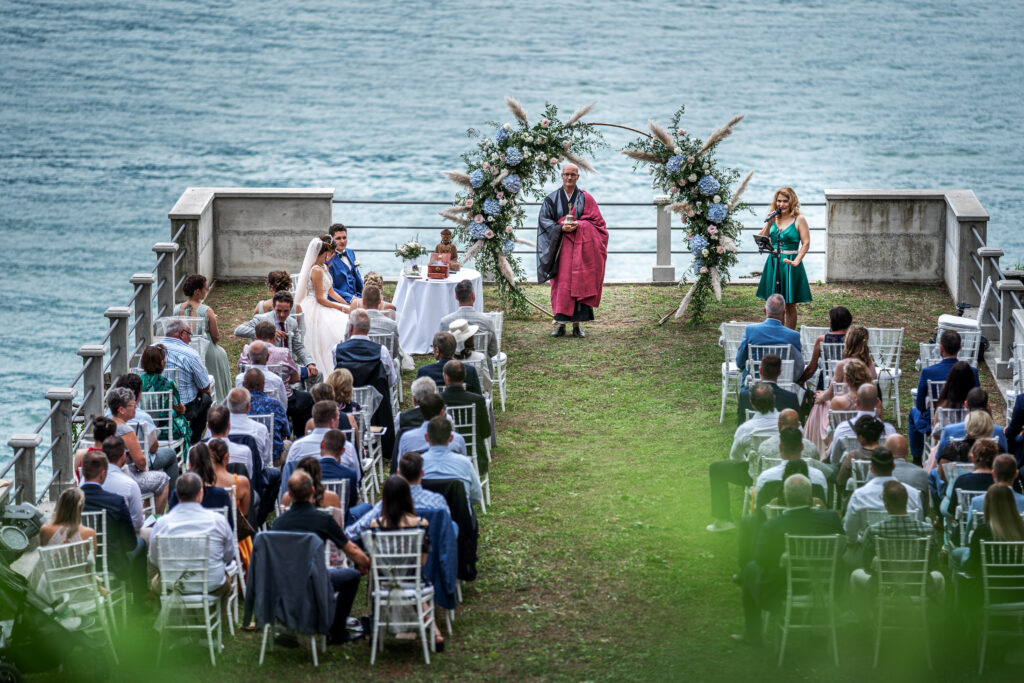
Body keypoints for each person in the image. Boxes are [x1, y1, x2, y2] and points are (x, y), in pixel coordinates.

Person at [737, 474, 842, 644]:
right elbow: (841, 548)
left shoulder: (773, 525)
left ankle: (753, 634)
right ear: (810, 496)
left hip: (784, 586)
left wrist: (782, 561)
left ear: (785, 496)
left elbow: (761, 561)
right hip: (823, 583)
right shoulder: (830, 519)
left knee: (750, 569)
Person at [272, 470, 370, 645]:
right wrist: (369, 563)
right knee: (352, 576)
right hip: (313, 581)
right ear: (312, 491)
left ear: (290, 495)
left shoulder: (279, 522)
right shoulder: (322, 519)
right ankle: (336, 630)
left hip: (284, 584)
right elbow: (350, 550)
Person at [367, 474, 444, 650]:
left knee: (386, 581)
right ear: (407, 496)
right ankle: (435, 632)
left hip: (385, 582)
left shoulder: (376, 525)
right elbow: (422, 562)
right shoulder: (420, 523)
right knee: (412, 582)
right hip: (413, 580)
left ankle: (374, 631)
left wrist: (391, 570)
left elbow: (375, 560)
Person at [536, 162, 608, 338]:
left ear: (578, 177)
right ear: (561, 176)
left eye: (573, 175)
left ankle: (577, 326)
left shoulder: (586, 198)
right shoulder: (551, 199)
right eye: (566, 174)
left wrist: (579, 225)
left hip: (581, 250)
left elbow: (598, 223)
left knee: (579, 283)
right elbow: (544, 221)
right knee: (560, 285)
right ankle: (560, 324)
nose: (569, 177)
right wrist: (560, 228)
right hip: (560, 249)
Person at [149, 474, 236, 607]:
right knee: (226, 581)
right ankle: (221, 619)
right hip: (211, 585)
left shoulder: (161, 524)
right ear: (200, 494)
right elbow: (228, 555)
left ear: (177, 495)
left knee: (154, 583)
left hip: (173, 585)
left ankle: (165, 614)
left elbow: (154, 559)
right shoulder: (217, 521)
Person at [852, 481, 943, 601]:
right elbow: (933, 565)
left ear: (886, 504)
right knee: (940, 578)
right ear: (906, 502)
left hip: (884, 585)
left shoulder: (874, 530)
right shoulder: (927, 530)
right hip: (918, 586)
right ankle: (935, 615)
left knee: (855, 575)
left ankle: (865, 616)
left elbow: (866, 566)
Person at [707, 383, 779, 532]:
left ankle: (723, 520)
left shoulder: (746, 429)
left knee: (716, 469)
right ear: (774, 398)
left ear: (752, 404)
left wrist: (750, 463)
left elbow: (735, 457)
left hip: (754, 475)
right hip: (784, 473)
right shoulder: (788, 422)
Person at [908, 330, 978, 464]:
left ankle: (917, 457)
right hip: (968, 420)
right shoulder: (972, 372)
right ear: (960, 348)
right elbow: (977, 397)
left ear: (941, 348)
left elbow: (921, 405)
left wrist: (928, 412)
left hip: (937, 420)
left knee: (913, 413)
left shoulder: (929, 372)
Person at [347, 451, 449, 541]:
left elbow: (356, 530)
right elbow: (450, 530)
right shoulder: (438, 501)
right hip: (431, 557)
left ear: (399, 473)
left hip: (395, 557)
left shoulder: (387, 504)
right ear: (422, 473)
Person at [80, 449, 145, 589]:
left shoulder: (69, 500)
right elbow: (130, 543)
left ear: (82, 472)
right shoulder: (116, 501)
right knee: (141, 544)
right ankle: (139, 600)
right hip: (111, 563)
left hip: (79, 563)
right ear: (103, 474)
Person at [240, 321, 312, 439]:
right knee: (306, 399)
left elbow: (241, 369)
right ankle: (300, 436)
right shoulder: (283, 352)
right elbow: (296, 377)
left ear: (256, 336)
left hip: (249, 398)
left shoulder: (247, 349)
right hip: (283, 399)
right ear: (275, 337)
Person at [754, 186, 812, 329]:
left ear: (792, 202)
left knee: (789, 304)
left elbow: (806, 243)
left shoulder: (799, 219)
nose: (781, 204)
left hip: (789, 264)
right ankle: (774, 332)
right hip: (773, 263)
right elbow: (762, 239)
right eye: (779, 201)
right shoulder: (773, 218)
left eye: (785, 201)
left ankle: (789, 336)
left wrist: (796, 261)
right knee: (772, 302)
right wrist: (769, 223)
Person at [107, 386, 171, 514]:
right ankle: (153, 520)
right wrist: (144, 468)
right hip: (127, 476)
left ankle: (142, 512)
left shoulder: (107, 424)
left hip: (108, 474)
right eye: (132, 404)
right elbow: (141, 462)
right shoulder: (126, 430)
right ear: (121, 410)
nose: (136, 406)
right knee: (163, 479)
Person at [292, 235, 352, 372]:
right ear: (326, 252)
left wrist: (346, 305)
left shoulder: (323, 267)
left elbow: (331, 292)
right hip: (316, 306)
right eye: (332, 253)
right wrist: (342, 309)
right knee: (332, 334)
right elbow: (320, 298)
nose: (332, 256)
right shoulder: (317, 270)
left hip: (325, 302)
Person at [235, 290, 318, 385]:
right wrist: (266, 332)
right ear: (273, 307)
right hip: (265, 366)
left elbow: (299, 347)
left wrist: (309, 363)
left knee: (317, 374)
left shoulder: (292, 323)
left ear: (291, 309)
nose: (282, 315)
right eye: (279, 311)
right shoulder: (261, 319)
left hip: (287, 366)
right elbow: (238, 330)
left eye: (286, 311)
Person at [844, 449, 922, 544]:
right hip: (907, 549)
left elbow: (850, 529)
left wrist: (858, 541)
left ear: (871, 468)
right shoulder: (913, 493)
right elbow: (919, 522)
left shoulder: (859, 495)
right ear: (894, 467)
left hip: (870, 551)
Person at [174, 274, 232, 403]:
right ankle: (221, 402)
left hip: (183, 351)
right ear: (197, 291)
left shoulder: (176, 309)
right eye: (205, 289)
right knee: (221, 354)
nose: (206, 291)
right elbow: (216, 337)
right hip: (207, 351)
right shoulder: (206, 311)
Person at [160, 318, 213, 443]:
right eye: (189, 334)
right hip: (184, 408)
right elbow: (205, 386)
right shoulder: (190, 354)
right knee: (206, 399)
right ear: (181, 333)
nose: (190, 339)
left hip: (156, 406)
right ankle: (193, 440)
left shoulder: (150, 350)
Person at [735, 294, 804, 384]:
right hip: (783, 386)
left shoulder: (750, 330)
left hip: (754, 385)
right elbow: (799, 367)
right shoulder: (794, 336)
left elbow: (740, 362)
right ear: (784, 313)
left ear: (765, 310)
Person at [753, 427, 828, 507]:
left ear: (780, 447)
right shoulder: (819, 477)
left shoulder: (765, 477)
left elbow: (759, 510)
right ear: (802, 447)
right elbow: (822, 506)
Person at [421, 416, 482, 509]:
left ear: (426, 437)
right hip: (460, 520)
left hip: (429, 521)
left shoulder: (417, 465)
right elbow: (476, 497)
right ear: (451, 438)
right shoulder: (464, 463)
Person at [828, 383, 896, 466]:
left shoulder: (842, 429)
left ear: (857, 402)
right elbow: (893, 458)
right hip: (880, 472)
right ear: (877, 402)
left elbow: (834, 460)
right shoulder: (890, 430)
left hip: (851, 475)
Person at [441, 360, 491, 470]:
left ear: (446, 377)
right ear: (464, 376)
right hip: (475, 458)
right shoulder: (477, 400)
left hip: (446, 461)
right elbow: (486, 432)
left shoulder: (438, 400)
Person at [137, 345, 192, 443]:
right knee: (183, 423)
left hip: (142, 428)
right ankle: (184, 456)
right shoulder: (168, 383)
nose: (165, 361)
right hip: (164, 430)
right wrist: (183, 409)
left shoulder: (138, 381)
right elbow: (179, 408)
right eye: (163, 359)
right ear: (161, 363)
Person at [934, 388, 1009, 458]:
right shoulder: (998, 431)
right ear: (987, 406)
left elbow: (939, 456)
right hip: (990, 470)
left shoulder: (949, 430)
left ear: (966, 405)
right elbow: (1004, 454)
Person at [168, 442, 234, 520]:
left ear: (189, 466)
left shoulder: (177, 494)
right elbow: (229, 527)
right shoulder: (222, 494)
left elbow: (170, 521)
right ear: (211, 465)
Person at [438, 279, 499, 360]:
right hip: (481, 369)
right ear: (473, 296)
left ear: (456, 297)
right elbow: (493, 351)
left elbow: (441, 352)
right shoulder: (487, 321)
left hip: (452, 370)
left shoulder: (445, 322)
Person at [396, 393, 468, 459]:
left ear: (421, 413)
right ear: (442, 413)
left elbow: (399, 467)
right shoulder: (458, 439)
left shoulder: (406, 438)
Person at [736, 354, 798, 426]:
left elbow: (740, 423)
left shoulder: (744, 396)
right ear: (779, 373)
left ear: (760, 370)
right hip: (781, 436)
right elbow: (797, 426)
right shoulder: (791, 398)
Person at [242, 369, 290, 463]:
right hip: (273, 456)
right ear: (263, 385)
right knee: (290, 445)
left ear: (243, 384)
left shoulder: (235, 404)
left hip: (243, 456)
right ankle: (282, 477)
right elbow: (284, 434)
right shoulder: (275, 404)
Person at [796, 305, 851, 385]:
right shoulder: (853, 339)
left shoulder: (822, 340)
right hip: (849, 381)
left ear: (832, 321)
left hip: (826, 382)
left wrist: (799, 381)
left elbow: (812, 368)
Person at [417, 332, 482, 394]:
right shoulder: (470, 370)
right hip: (464, 404)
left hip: (435, 405)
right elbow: (478, 396)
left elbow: (419, 398)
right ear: (454, 348)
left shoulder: (424, 372)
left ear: (437, 350)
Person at [235, 340, 288, 408]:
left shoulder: (239, 379)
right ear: (268, 356)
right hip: (272, 417)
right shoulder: (276, 380)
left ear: (248, 356)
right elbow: (283, 405)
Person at [450, 319, 492, 396]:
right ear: (471, 337)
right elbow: (487, 383)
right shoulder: (480, 357)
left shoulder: (447, 361)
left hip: (450, 401)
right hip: (474, 399)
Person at [327, 223, 363, 306]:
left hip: (358, 296)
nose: (342, 241)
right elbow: (331, 289)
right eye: (338, 238)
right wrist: (351, 298)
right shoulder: (327, 259)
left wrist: (365, 294)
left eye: (344, 237)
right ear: (332, 239)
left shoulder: (350, 252)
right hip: (341, 300)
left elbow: (357, 277)